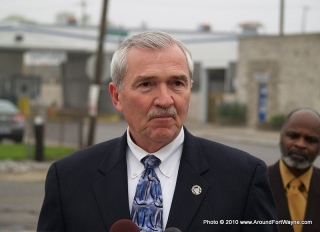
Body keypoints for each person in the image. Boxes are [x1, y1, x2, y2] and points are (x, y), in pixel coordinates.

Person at [37, 31, 278, 232]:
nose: (165, 100)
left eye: (177, 83)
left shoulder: (243, 177)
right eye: (146, 84)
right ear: (116, 96)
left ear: (189, 90)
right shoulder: (68, 178)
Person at [269, 108, 320, 232]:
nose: (300, 144)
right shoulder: (256, 183)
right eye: (293, 136)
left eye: (310, 140)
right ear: (280, 136)